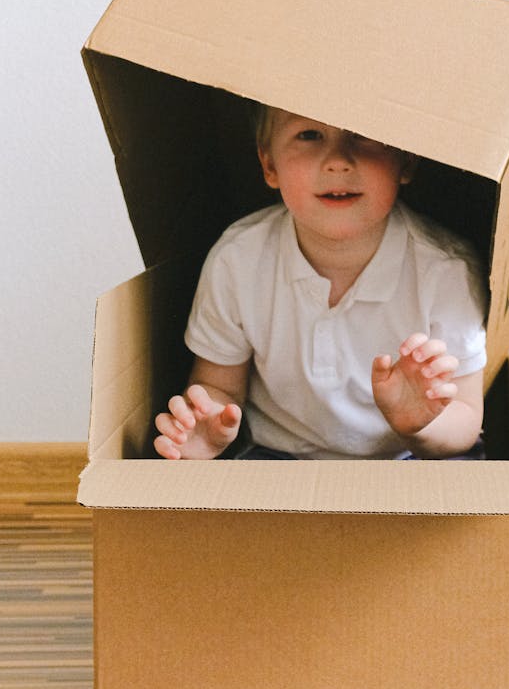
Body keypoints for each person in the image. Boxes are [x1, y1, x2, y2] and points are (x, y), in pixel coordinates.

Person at [154, 107, 487, 461]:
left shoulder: (445, 271)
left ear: (406, 161)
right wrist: (208, 429)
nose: (338, 161)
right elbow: (218, 385)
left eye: (362, 133)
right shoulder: (237, 260)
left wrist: (420, 425)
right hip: (279, 456)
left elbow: (467, 418)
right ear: (269, 165)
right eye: (309, 135)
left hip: (406, 457)